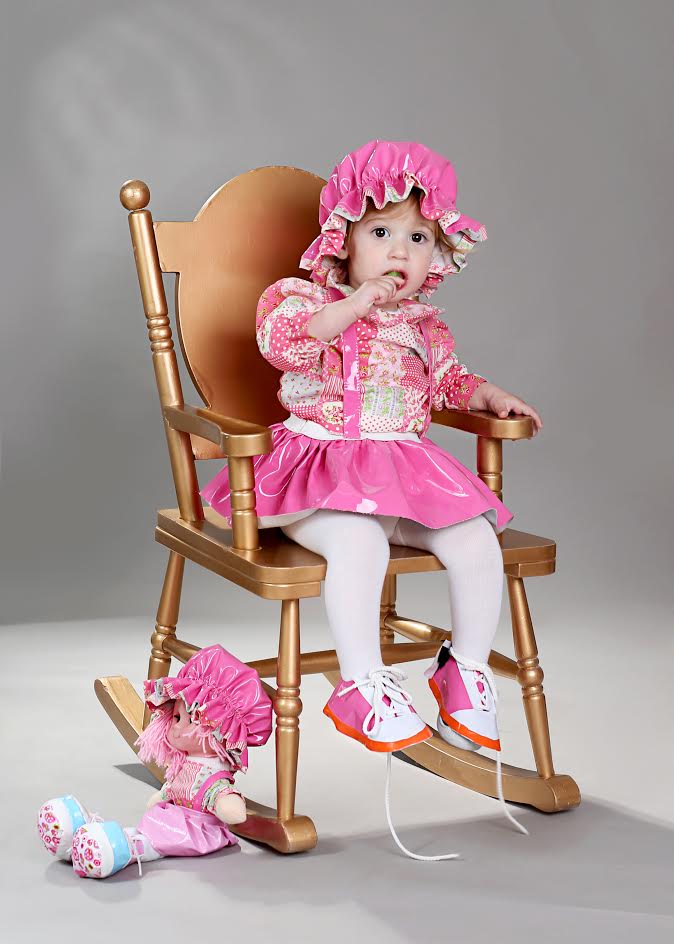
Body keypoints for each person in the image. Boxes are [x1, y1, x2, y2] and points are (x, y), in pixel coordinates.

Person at [202, 140, 541, 853]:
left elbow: (448, 382)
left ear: (437, 254)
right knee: (357, 541)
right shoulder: (299, 298)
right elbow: (287, 346)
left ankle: (465, 671)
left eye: (418, 238)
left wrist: (487, 394)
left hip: (402, 475)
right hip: (317, 470)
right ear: (343, 239)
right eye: (381, 231)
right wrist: (355, 304)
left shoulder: (425, 324)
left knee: (475, 536)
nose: (398, 252)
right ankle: (362, 680)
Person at [37, 645, 273, 878]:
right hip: (171, 815)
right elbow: (171, 789)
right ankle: (79, 840)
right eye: (177, 717)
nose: (177, 727)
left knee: (151, 842)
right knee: (146, 832)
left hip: (194, 829)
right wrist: (163, 795)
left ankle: (121, 849)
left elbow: (232, 810)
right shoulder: (183, 765)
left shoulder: (214, 780)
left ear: (221, 731)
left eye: (191, 720)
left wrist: (226, 804)